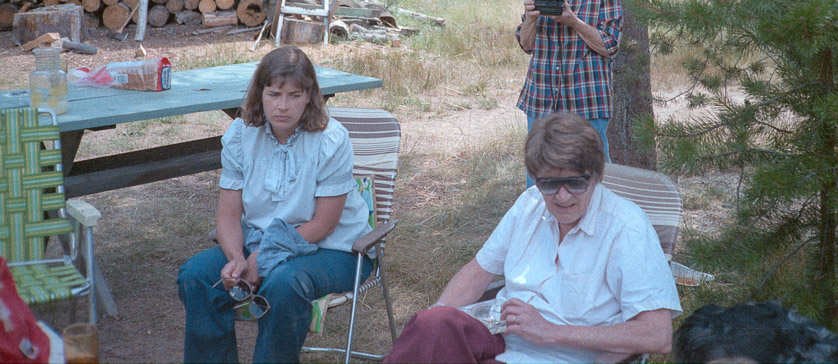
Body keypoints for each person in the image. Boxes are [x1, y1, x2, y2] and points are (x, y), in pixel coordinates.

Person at [383, 112, 681, 364]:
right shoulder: (530, 204)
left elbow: (657, 335)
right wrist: (432, 330)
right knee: (430, 323)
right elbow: (479, 270)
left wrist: (551, 331)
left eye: (576, 182)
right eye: (549, 184)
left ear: (596, 175)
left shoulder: (627, 229)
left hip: (560, 356)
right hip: (499, 339)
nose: (562, 196)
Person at [177, 46, 373, 363]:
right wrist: (235, 260)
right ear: (260, 94)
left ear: (310, 95)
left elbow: (324, 224)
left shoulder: (331, 139)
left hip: (335, 249)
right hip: (257, 242)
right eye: (274, 94)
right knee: (196, 276)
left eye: (294, 95)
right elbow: (228, 216)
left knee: (283, 283)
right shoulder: (241, 136)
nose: (283, 106)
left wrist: (260, 260)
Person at [517, 0, 623, 167]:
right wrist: (531, 19)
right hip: (542, 96)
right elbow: (526, 45)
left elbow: (610, 45)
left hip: (587, 97)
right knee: (541, 172)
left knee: (593, 171)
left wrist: (573, 21)